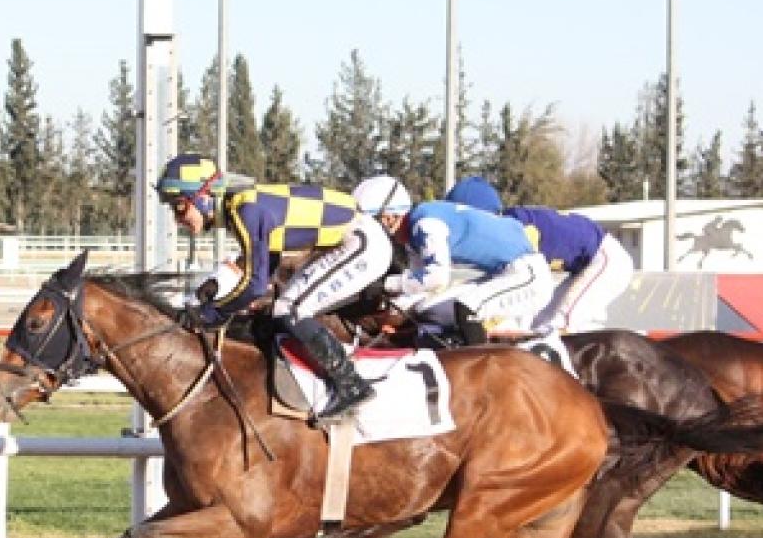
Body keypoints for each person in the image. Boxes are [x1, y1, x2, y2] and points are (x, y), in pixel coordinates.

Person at [156, 153, 390, 422]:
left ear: (203, 196)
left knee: (290, 309)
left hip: (361, 243)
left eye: (179, 206)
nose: (177, 219)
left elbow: (256, 285)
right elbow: (266, 263)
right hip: (351, 239)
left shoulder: (245, 210)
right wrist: (217, 288)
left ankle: (351, 384)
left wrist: (213, 313)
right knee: (282, 308)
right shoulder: (239, 206)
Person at [356, 175, 552, 342]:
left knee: (466, 306)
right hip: (505, 273)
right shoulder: (413, 236)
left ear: (389, 218)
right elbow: (419, 290)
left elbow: (436, 278)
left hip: (528, 275)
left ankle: (480, 367)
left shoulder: (425, 224)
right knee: (428, 309)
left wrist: (386, 284)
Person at [445, 175, 634, 334]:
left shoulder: (517, 229)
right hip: (586, 263)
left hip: (607, 260)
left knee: (559, 325)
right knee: (540, 325)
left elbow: (524, 284)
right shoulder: (506, 228)